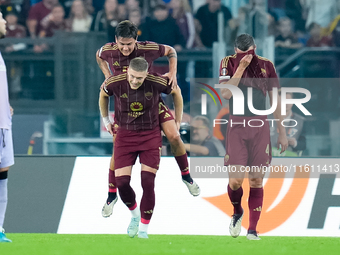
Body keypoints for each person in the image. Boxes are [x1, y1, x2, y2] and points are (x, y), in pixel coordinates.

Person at [96, 20, 200, 218]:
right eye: (122, 44)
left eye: (129, 44)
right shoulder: (108, 51)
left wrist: (173, 72)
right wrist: (107, 76)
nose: (125, 48)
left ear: (136, 40)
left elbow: (171, 51)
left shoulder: (148, 48)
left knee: (174, 135)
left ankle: (186, 176)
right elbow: (98, 56)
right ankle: (111, 195)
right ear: (115, 40)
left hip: (151, 99)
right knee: (117, 147)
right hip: (125, 105)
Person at [98, 57, 180, 238]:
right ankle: (135, 214)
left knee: (148, 182)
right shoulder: (114, 82)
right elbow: (103, 95)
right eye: (133, 77)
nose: (135, 81)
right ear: (127, 72)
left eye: (139, 78)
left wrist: (178, 120)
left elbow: (176, 92)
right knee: (122, 183)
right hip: (125, 135)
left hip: (150, 135)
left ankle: (144, 229)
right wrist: (106, 121)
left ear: (146, 76)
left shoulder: (157, 82)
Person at [219, 34, 288, 240]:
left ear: (255, 48)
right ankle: (237, 211)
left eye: (248, 53)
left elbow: (275, 99)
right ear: (235, 50)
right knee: (236, 182)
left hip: (260, 125)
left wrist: (282, 132)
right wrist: (240, 68)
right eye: (241, 54)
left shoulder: (267, 66)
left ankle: (252, 229)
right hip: (237, 125)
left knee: (256, 180)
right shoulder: (228, 62)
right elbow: (226, 94)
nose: (245, 57)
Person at [0, 11, 13, 243]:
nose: (5, 22)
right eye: (0, 17)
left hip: (4, 125)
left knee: (3, 176)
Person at [270, 92, 306, 156]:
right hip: (269, 159)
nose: (286, 104)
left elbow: (303, 145)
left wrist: (294, 143)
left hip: (290, 161)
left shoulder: (300, 120)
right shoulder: (267, 119)